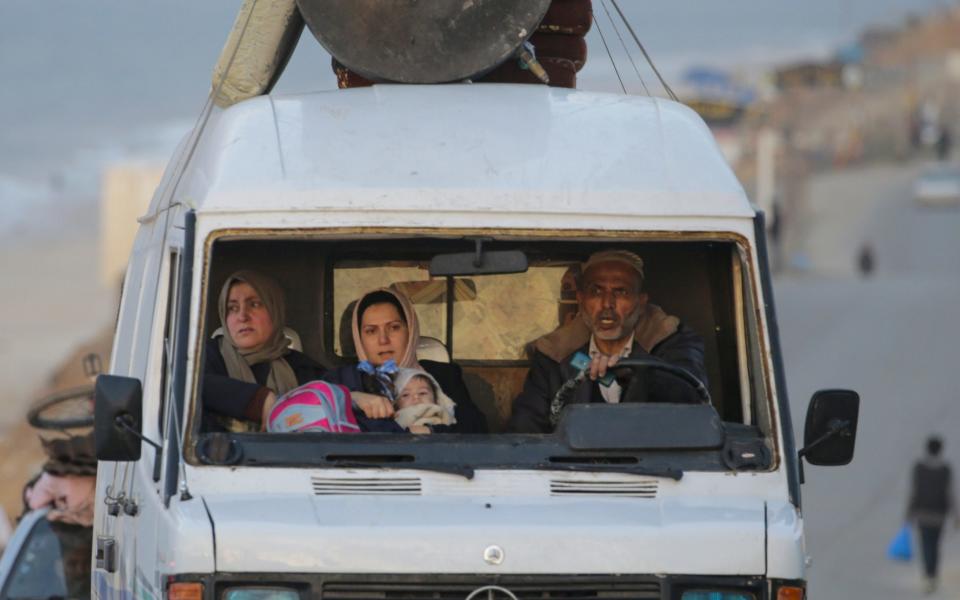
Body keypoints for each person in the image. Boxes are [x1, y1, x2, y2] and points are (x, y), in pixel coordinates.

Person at [507, 249, 707, 433]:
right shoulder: (554, 354)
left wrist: (636, 376)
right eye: (596, 291)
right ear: (581, 299)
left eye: (621, 292)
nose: (607, 304)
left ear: (641, 302)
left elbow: (690, 393)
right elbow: (526, 428)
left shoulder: (672, 340)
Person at [323, 287, 488, 433]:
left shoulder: (443, 375)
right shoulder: (342, 379)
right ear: (359, 339)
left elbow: (475, 429)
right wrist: (350, 398)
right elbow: (310, 411)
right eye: (371, 331)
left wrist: (432, 431)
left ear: (410, 331)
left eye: (394, 327)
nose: (383, 340)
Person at [203, 270, 325, 432]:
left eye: (254, 304)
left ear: (275, 310)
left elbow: (330, 394)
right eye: (232, 308)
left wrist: (350, 397)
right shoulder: (202, 356)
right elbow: (185, 386)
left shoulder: (302, 367)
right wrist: (259, 400)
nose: (242, 316)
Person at [906, 435, 959, 594]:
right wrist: (956, 515)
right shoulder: (945, 469)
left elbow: (914, 492)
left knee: (926, 544)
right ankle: (933, 575)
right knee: (935, 545)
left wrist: (909, 514)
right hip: (939, 515)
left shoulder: (919, 468)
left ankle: (929, 575)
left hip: (923, 514)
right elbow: (949, 493)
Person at [393, 367, 457, 434]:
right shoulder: (394, 423)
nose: (416, 397)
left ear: (436, 400)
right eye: (406, 395)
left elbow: (453, 433)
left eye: (422, 393)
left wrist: (431, 430)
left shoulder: (441, 416)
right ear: (396, 405)